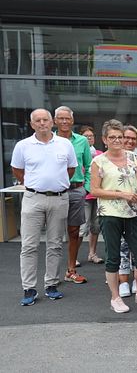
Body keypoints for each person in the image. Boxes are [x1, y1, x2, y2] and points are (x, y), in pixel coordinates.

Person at [90, 119, 137, 313]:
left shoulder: (133, 157)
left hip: (133, 213)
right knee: (113, 258)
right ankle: (115, 297)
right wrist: (121, 194)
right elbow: (94, 190)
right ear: (104, 139)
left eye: (120, 137)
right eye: (112, 137)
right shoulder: (99, 161)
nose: (117, 140)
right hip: (110, 214)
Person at [12, 109, 77, 305]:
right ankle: (29, 288)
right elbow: (17, 169)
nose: (42, 123)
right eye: (37, 121)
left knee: (55, 244)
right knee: (29, 246)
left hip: (59, 198)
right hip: (33, 198)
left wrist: (54, 184)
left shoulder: (64, 144)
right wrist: (36, 184)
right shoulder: (23, 146)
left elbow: (71, 170)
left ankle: (51, 284)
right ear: (32, 124)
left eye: (45, 120)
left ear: (52, 122)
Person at [52, 106, 92, 285]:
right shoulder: (48, 140)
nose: (64, 121)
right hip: (54, 192)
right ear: (55, 121)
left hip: (76, 190)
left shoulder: (82, 141)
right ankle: (52, 275)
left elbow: (89, 166)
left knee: (74, 231)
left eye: (67, 118)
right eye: (60, 118)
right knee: (54, 233)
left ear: (72, 120)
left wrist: (88, 188)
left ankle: (71, 270)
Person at [117, 125, 137, 297]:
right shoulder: (108, 157)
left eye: (133, 138)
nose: (130, 141)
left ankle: (136, 280)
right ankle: (123, 281)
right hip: (116, 208)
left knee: (136, 247)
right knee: (120, 246)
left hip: (136, 208)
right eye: (127, 137)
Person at [80, 125, 105, 265]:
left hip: (98, 195)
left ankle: (92, 253)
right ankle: (74, 257)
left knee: (95, 226)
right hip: (85, 195)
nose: (89, 138)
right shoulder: (79, 153)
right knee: (82, 227)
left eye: (91, 136)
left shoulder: (101, 153)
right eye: (86, 136)